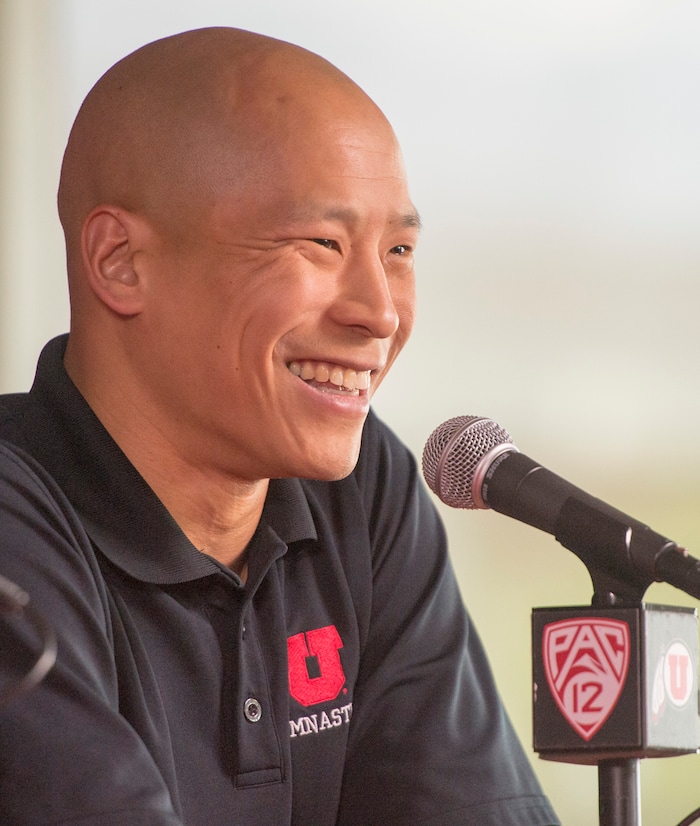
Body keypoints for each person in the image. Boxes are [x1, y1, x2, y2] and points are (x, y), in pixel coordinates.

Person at [0, 27, 559, 825]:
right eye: (322, 243)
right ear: (120, 260)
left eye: (399, 250)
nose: (380, 312)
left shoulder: (360, 491)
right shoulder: (17, 517)